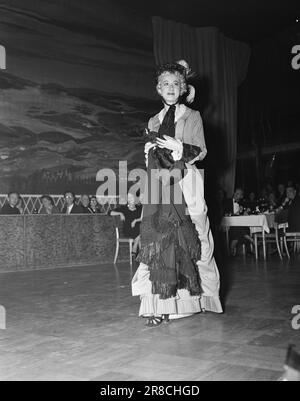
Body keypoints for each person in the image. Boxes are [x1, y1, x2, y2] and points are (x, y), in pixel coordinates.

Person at [132, 62, 222, 326]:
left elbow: (202, 151)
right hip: (161, 186)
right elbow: (150, 156)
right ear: (159, 89)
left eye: (175, 84)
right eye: (165, 84)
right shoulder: (153, 121)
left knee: (197, 238)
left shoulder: (192, 116)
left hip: (188, 182)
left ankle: (203, 298)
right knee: (160, 242)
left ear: (182, 89)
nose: (170, 88)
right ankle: (160, 305)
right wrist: (148, 152)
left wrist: (180, 147)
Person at [109, 192, 142, 257]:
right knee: (141, 233)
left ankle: (136, 248)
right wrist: (120, 213)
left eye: (131, 197)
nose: (130, 199)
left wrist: (136, 221)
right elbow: (109, 212)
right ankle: (135, 248)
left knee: (143, 232)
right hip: (128, 230)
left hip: (138, 230)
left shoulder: (139, 208)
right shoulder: (124, 208)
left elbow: (143, 218)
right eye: (128, 198)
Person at [224, 188, 253, 256]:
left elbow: (245, 214)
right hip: (230, 224)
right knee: (239, 228)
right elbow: (225, 213)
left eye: (239, 194)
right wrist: (236, 212)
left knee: (243, 228)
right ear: (234, 193)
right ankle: (251, 240)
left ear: (241, 196)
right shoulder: (227, 201)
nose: (237, 195)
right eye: (236, 193)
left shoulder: (242, 203)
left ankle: (234, 243)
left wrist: (245, 212)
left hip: (239, 225)